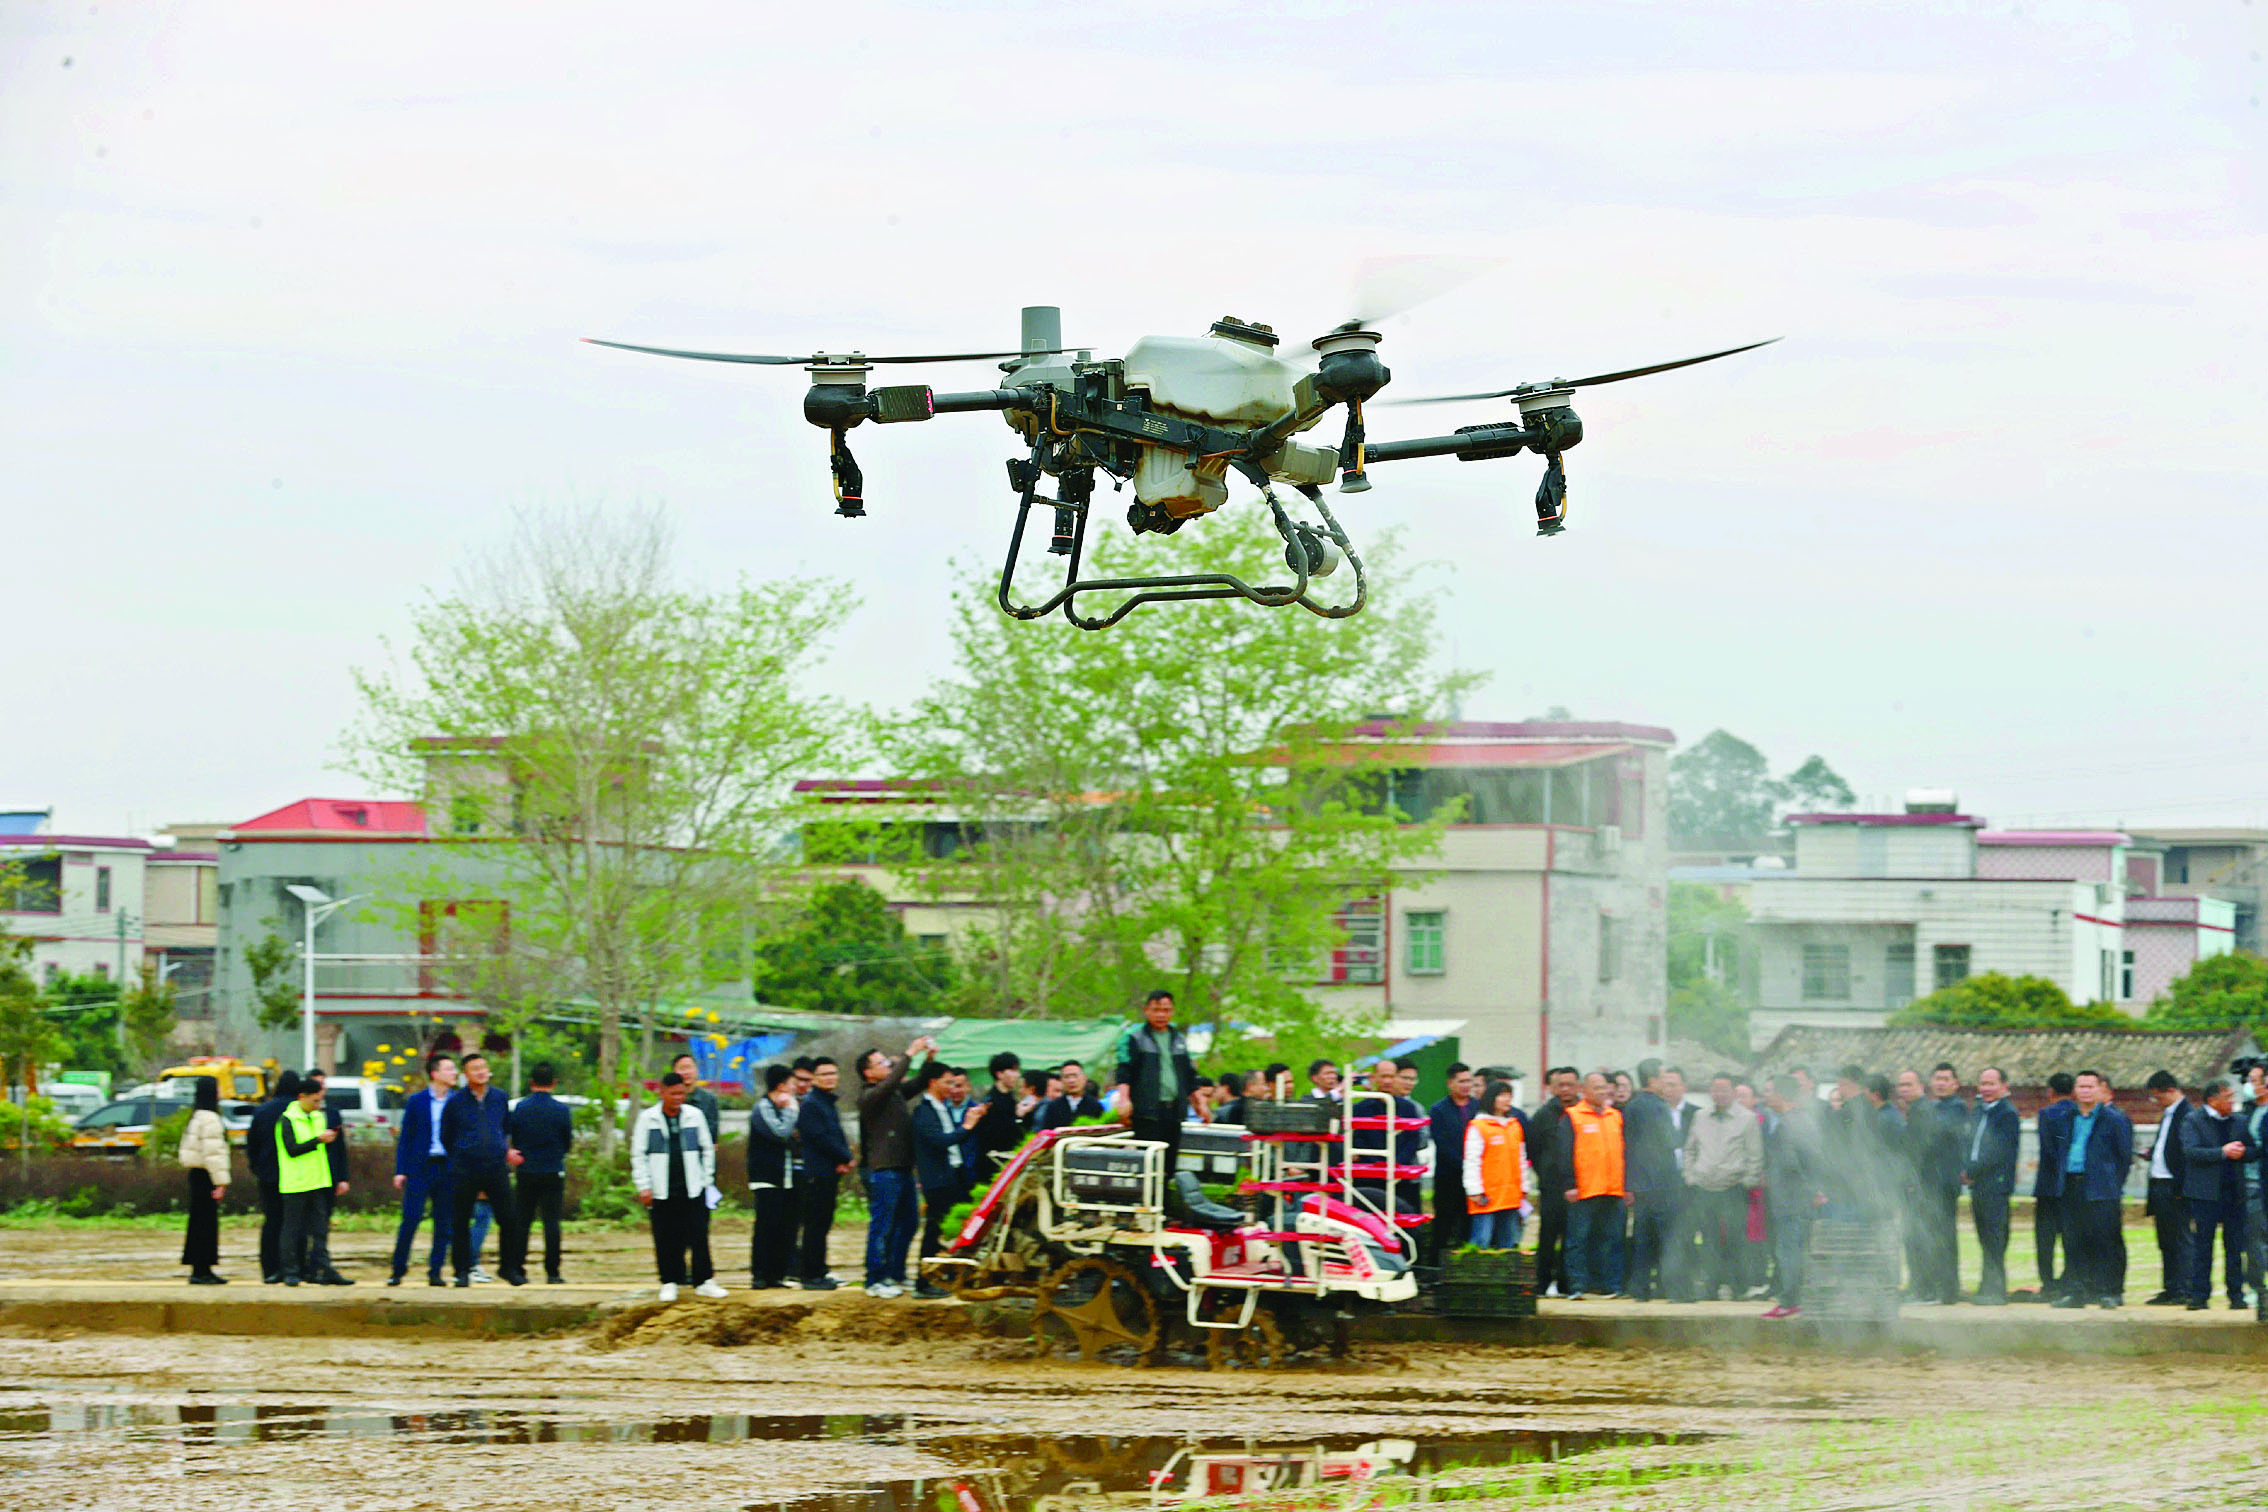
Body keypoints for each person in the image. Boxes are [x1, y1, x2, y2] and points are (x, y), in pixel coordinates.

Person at [856, 1036, 935, 1299]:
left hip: (903, 1168)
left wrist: (929, 1059)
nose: (888, 1066)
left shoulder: (894, 1093)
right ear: (868, 1073)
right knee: (882, 1226)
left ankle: (895, 1273)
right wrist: (910, 1053)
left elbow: (920, 1082)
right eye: (882, 1063)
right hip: (884, 1170)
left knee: (909, 1223)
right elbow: (891, 1083)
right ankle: (874, 1278)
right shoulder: (869, 1097)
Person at [633, 1071, 724, 1302]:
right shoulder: (648, 1118)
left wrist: (706, 1179)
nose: (678, 1098)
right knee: (665, 1236)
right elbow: (639, 1154)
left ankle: (704, 1280)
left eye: (681, 1094)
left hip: (693, 1187)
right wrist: (644, 1185)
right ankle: (669, 1281)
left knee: (698, 1235)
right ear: (662, 1093)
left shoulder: (695, 1115)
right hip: (662, 1189)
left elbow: (707, 1148)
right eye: (673, 1094)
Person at [441, 1052, 528, 1289]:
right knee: (460, 1220)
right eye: (474, 1069)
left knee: (508, 1218)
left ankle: (508, 1268)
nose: (480, 1072)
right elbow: (446, 1136)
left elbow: (505, 1128)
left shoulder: (499, 1097)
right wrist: (461, 1155)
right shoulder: (456, 1101)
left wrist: (505, 1151)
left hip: (496, 1167)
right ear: (465, 1074)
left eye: (483, 1067)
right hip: (465, 1168)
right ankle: (462, 1271)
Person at [2051, 1070, 2134, 1310]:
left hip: (2101, 1189)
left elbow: (2124, 1157)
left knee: (2106, 1240)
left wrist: (2111, 1183)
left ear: (2100, 1089)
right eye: (2081, 1086)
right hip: (2071, 1185)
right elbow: (2057, 1150)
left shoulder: (2115, 1119)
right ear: (2075, 1091)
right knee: (2072, 1240)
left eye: (2090, 1086)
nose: (2085, 1091)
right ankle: (2076, 1292)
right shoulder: (2066, 1118)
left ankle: (2110, 1291)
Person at [1684, 1073, 1764, 1302]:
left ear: (1733, 1092)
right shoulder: (1700, 1116)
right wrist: (1690, 1176)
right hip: (1704, 1187)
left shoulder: (1747, 1119)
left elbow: (1755, 1155)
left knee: (1735, 1239)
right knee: (1708, 1240)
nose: (1719, 1094)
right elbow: (1690, 1149)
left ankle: (1738, 1286)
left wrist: (1747, 1181)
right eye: (1715, 1089)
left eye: (1724, 1090)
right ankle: (1711, 1286)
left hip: (1733, 1187)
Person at [2176, 1078, 2253, 1311]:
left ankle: (2236, 1295)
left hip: (2234, 1193)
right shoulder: (2193, 1120)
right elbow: (2191, 1152)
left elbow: (2253, 1149)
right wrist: (2222, 1152)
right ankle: (2199, 1295)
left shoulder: (2240, 1121)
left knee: (2235, 1247)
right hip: (2205, 1194)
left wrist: (2243, 1152)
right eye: (2228, 1097)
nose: (2232, 1102)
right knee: (2203, 1246)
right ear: (2212, 1100)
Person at [912, 1062, 986, 1296]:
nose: (951, 1087)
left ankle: (947, 1274)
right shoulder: (924, 1111)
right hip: (937, 1179)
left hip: (952, 1175)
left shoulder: (940, 1108)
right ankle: (923, 1282)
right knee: (934, 1230)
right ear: (933, 1083)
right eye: (948, 1082)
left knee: (949, 1228)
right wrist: (967, 1126)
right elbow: (941, 1141)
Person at [389, 1054, 458, 1287]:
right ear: (435, 1073)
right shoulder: (417, 1101)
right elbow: (406, 1138)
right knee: (410, 1219)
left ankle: (435, 1271)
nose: (454, 1073)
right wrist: (401, 1170)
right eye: (449, 1069)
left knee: (444, 1222)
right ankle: (398, 1269)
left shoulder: (457, 1101)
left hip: (447, 1168)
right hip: (420, 1168)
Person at [1556, 1072, 1626, 1300]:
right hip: (1585, 1189)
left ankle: (1610, 1285)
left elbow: (1624, 1151)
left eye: (1604, 1087)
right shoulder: (1573, 1116)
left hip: (1613, 1188)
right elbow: (1564, 1152)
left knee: (1613, 1239)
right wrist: (1569, 1184)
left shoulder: (1615, 1116)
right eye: (1596, 1088)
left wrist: (1626, 1185)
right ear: (1584, 1091)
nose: (1602, 1092)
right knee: (1578, 1239)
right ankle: (1577, 1285)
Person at [1113, 989, 1199, 1170]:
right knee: (1149, 1163)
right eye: (1156, 1010)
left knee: (1169, 1163)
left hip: (1173, 1111)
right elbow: (1124, 1070)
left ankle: (1166, 1188)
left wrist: (1200, 1103)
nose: (1161, 1015)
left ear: (1172, 1011)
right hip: (1147, 1111)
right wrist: (1124, 1099)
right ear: (1147, 1010)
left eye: (1166, 1010)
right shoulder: (1134, 1038)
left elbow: (1189, 1074)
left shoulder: (1178, 1039)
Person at [1622, 1059, 1683, 1303]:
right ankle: (1673, 1290)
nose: (1666, 1083)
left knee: (1642, 1239)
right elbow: (1671, 1140)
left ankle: (1640, 1288)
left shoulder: (1632, 1106)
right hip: (1662, 1183)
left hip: (1640, 1184)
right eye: (1663, 1078)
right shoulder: (1658, 1107)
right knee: (1668, 1238)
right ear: (1652, 1080)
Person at [1760, 1074, 1821, 1319]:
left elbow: (1789, 1163)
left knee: (1788, 1252)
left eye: (1769, 1091)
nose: (1766, 1096)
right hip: (1803, 1198)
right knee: (1798, 1250)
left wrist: (1771, 1177)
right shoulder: (1805, 1120)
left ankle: (1789, 1301)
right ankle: (1798, 1299)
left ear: (1780, 1095)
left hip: (1789, 1198)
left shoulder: (1786, 1125)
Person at [1907, 1063, 1968, 1304]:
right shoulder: (1932, 1107)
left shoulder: (1956, 1107)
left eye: (1946, 1079)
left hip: (1944, 1182)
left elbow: (1938, 1132)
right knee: (1929, 1236)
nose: (1941, 1083)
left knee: (1944, 1237)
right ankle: (1930, 1288)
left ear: (1955, 1084)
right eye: (1937, 1079)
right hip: (1929, 1183)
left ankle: (1948, 1291)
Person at [512, 1063, 574, 1285]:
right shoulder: (561, 1110)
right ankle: (552, 1271)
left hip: (526, 1170)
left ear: (531, 1082)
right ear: (553, 1083)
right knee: (552, 1222)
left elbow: (515, 1138)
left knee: (522, 1221)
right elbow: (567, 1142)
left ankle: (518, 1269)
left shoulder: (521, 1108)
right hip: (552, 1169)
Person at [273, 1071, 337, 1287]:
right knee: (292, 1230)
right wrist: (318, 1140)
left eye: (320, 1100)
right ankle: (290, 1271)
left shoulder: (318, 1117)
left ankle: (322, 1269)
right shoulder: (287, 1119)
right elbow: (292, 1149)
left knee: (320, 1229)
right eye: (315, 1100)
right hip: (295, 1183)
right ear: (302, 1097)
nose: (319, 1105)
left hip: (318, 1181)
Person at [1963, 1065, 2021, 1305]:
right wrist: (1966, 1167)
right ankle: (1985, 1288)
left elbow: (1998, 1151)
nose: (1986, 1088)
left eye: (1991, 1083)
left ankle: (1996, 1291)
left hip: (1995, 1184)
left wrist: (1972, 1170)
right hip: (1978, 1183)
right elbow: (1970, 1143)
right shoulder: (1978, 1111)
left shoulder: (2007, 1114)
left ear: (2004, 1087)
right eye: (1983, 1083)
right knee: (1984, 1237)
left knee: (1995, 1238)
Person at [795, 1056, 852, 1290]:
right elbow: (819, 1138)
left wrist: (843, 1158)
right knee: (815, 1224)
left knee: (823, 1222)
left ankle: (820, 1270)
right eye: (824, 1074)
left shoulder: (827, 1102)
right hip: (816, 1173)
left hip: (829, 1171)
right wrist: (845, 1157)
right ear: (814, 1078)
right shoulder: (811, 1104)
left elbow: (836, 1135)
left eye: (833, 1073)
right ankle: (810, 1275)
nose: (830, 1078)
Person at [2141, 1069, 2194, 1306]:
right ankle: (2171, 1287)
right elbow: (2167, 1145)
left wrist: (2182, 1188)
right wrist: (2153, 1153)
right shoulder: (2168, 1114)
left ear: (2171, 1091)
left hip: (2175, 1186)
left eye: (2158, 1096)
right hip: (2159, 1183)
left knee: (2180, 1238)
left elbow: (2187, 1155)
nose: (2157, 1101)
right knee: (2165, 1240)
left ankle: (2185, 1288)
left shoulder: (2187, 1115)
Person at [1530, 1066, 1583, 1297]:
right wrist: (1544, 1172)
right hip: (1551, 1186)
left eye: (1570, 1085)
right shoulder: (1543, 1114)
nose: (1565, 1089)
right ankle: (1541, 1283)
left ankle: (1567, 1283)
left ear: (1578, 1086)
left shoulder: (1583, 1112)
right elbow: (1533, 1148)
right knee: (1548, 1236)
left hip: (1579, 1186)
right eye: (1561, 1085)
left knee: (1573, 1236)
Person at [749, 1064, 802, 1289]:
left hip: (785, 1176)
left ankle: (776, 1275)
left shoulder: (783, 1107)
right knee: (766, 1226)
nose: (795, 1088)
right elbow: (780, 1133)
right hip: (767, 1177)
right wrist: (792, 1109)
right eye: (792, 1084)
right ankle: (760, 1274)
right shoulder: (762, 1107)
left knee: (785, 1227)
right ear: (781, 1086)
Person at [299, 1070, 354, 1286]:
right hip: (304, 1177)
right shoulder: (297, 1114)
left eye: (322, 1085)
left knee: (322, 1224)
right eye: (315, 1085)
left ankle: (321, 1266)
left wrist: (343, 1177)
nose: (320, 1090)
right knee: (303, 1225)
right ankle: (304, 1266)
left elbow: (340, 1148)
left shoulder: (332, 1113)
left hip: (327, 1176)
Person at [176, 1076, 231, 1285]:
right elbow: (213, 1153)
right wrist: (221, 1182)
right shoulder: (211, 1119)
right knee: (207, 1224)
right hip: (207, 1175)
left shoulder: (197, 1116)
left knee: (197, 1222)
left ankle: (200, 1268)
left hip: (196, 1174)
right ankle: (203, 1270)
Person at [247, 1069, 299, 1284]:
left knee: (271, 1222)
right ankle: (293, 1267)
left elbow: (252, 1144)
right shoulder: (298, 1110)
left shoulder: (262, 1111)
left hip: (268, 1174)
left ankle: (269, 1268)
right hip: (296, 1174)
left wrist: (257, 1168)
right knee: (293, 1222)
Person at [1462, 1080, 1528, 1249]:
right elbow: (1472, 1161)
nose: (1507, 1100)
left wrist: (1524, 1186)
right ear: (1491, 1098)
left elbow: (1521, 1158)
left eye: (1509, 1096)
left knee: (1509, 1241)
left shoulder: (1514, 1126)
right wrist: (1474, 1190)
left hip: (1511, 1193)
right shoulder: (1479, 1126)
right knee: (1481, 1240)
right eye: (1502, 1095)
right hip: (1486, 1195)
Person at [2031, 1071, 2077, 1301]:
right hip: (2071, 1184)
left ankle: (2048, 1284)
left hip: (2048, 1186)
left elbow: (2048, 1150)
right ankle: (2069, 1282)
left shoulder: (2046, 1114)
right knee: (2071, 1237)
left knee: (2045, 1239)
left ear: (2050, 1092)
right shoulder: (2078, 1112)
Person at [1429, 1063, 1481, 1260]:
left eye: (1469, 1081)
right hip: (1448, 1177)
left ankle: (1463, 1265)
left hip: (1474, 1179)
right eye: (1461, 1081)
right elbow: (1441, 1143)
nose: (1466, 1085)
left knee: (1469, 1226)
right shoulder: (1439, 1109)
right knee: (1443, 1225)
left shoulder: (1478, 1107)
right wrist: (1464, 1165)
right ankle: (1435, 1267)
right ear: (1450, 1083)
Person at [972, 1052, 1031, 1181]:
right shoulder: (990, 1102)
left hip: (1009, 1164)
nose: (1017, 1075)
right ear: (999, 1074)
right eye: (1013, 1070)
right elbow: (997, 1135)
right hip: (993, 1167)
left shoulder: (1011, 1099)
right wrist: (1017, 1117)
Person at [669, 1052, 723, 1147]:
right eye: (682, 1068)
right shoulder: (668, 1099)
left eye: (689, 1067)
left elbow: (712, 1133)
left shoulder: (709, 1099)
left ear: (696, 1070)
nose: (686, 1072)